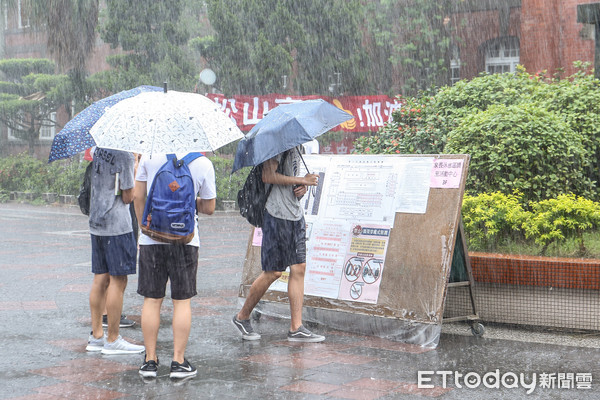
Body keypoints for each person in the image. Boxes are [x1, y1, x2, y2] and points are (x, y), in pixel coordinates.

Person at [134, 153, 216, 379]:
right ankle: (178, 362)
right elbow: (209, 207)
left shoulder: (149, 157)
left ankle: (150, 361)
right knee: (181, 302)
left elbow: (137, 196)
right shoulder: (203, 163)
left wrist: (145, 229)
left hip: (152, 239)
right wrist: (190, 201)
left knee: (151, 299)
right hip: (186, 239)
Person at [232, 145, 325, 343]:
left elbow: (287, 178)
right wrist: (302, 180)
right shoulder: (278, 144)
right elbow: (268, 175)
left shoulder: (297, 144)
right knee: (273, 272)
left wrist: (300, 189)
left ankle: (296, 327)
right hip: (276, 215)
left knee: (298, 268)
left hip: (294, 214)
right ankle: (242, 316)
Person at [85, 147, 145, 355]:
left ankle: (96, 335)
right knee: (118, 281)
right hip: (117, 225)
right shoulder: (125, 154)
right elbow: (129, 196)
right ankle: (113, 339)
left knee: (100, 278)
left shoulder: (98, 150)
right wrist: (135, 165)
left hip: (97, 221)